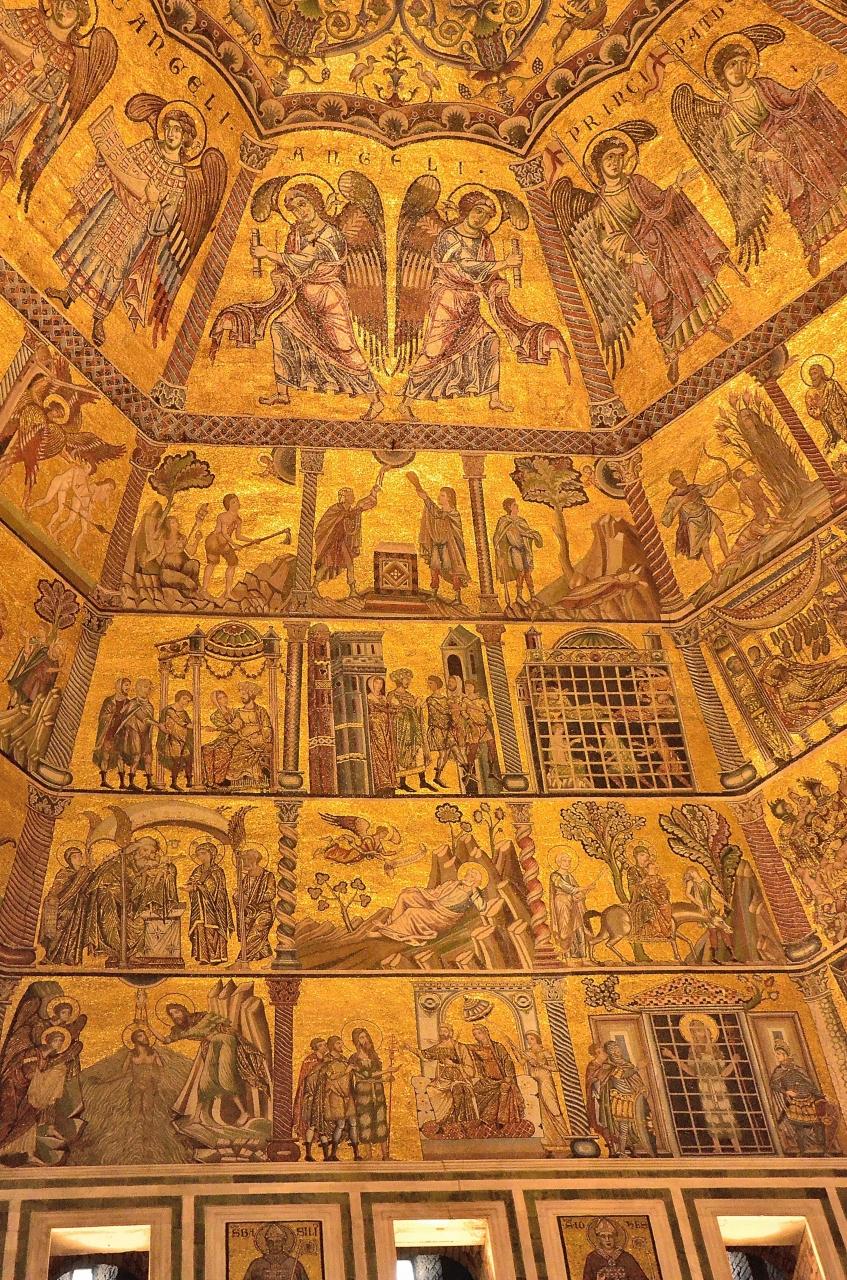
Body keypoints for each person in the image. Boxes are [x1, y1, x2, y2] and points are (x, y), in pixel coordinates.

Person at [48, 104, 219, 347]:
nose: (171, 134)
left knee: (116, 268)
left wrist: (155, 202)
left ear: (185, 139)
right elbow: (121, 163)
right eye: (169, 128)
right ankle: (69, 293)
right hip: (115, 205)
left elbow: (165, 221)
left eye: (177, 131)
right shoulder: (148, 147)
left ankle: (98, 318)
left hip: (139, 225)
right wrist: (105, 155)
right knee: (89, 246)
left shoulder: (179, 177)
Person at [401, 190, 569, 416]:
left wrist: (498, 285)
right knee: (434, 350)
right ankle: (406, 402)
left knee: (490, 340)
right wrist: (504, 263)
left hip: (470, 301)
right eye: (478, 211)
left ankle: (494, 399)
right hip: (447, 300)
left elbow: (488, 276)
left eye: (488, 215)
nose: (481, 218)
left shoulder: (484, 241)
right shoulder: (448, 236)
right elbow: (465, 266)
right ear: (466, 210)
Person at [584, 130, 733, 384]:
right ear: (599, 165)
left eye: (618, 157)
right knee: (660, 301)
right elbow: (607, 242)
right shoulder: (601, 207)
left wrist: (676, 187)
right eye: (609, 158)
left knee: (689, 281)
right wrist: (631, 258)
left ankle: (710, 324)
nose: (615, 163)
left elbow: (660, 202)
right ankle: (672, 352)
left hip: (665, 240)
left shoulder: (637, 183)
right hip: (639, 256)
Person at [240, 182, 385, 419]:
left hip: (329, 297)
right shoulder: (297, 234)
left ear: (315, 203)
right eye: (294, 209)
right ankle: (283, 393)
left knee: (345, 347)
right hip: (303, 296)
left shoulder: (331, 233)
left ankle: (375, 400)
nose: (300, 211)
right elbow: (290, 265)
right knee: (280, 327)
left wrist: (268, 254)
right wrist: (279, 272)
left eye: (303, 204)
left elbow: (305, 260)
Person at [665, 1015, 741, 1153]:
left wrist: (733, 1062)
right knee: (710, 1115)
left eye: (699, 1029)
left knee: (726, 1113)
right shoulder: (693, 1051)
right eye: (694, 1031)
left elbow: (724, 1073)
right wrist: (672, 1057)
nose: (698, 1033)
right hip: (705, 1087)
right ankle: (717, 1146)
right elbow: (691, 1071)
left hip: (718, 1086)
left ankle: (736, 1147)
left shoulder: (716, 1049)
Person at [372, 862, 486, 945]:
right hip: (433, 904)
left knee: (412, 913)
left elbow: (482, 907)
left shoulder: (472, 895)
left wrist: (474, 890)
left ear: (476, 882)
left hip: (442, 917)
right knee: (405, 896)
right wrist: (418, 890)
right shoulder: (453, 884)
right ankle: (390, 925)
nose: (467, 877)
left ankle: (387, 933)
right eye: (468, 874)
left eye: (472, 876)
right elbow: (435, 892)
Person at [312, 475, 383, 599]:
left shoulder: (349, 510)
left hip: (342, 542)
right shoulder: (336, 509)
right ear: (344, 498)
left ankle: (353, 590)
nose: (353, 497)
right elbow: (333, 521)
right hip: (333, 543)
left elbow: (359, 509)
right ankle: (314, 586)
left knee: (349, 564)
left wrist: (373, 493)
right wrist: (356, 510)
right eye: (351, 495)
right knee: (327, 564)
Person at [406, 472, 470, 604]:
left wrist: (427, 499)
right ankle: (434, 594)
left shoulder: (454, 514)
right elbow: (434, 511)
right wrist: (424, 497)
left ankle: (457, 597)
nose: (439, 497)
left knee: (453, 570)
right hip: (437, 545)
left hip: (450, 547)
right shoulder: (440, 512)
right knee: (434, 568)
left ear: (449, 498)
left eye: (442, 495)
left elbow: (439, 515)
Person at [769, 1044, 839, 1155]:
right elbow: (773, 1084)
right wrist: (786, 1092)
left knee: (818, 1124)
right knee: (798, 1126)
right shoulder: (778, 1071)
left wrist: (820, 1095)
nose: (777, 1056)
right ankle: (803, 1151)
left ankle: (823, 1150)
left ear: (785, 1055)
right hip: (795, 1102)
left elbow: (809, 1083)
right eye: (776, 1054)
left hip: (808, 1100)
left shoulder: (798, 1069)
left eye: (779, 1054)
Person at [661, 468, 731, 578]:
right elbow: (666, 521)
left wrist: (725, 479)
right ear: (673, 483)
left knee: (721, 534)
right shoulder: (673, 499)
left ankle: (728, 558)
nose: (682, 479)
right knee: (705, 548)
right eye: (678, 479)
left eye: (682, 476)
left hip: (706, 514)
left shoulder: (693, 488)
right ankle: (713, 572)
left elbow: (709, 490)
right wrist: (683, 502)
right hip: (694, 523)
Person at [589, 1040, 655, 1156]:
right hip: (620, 1100)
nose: (617, 1050)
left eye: (617, 1047)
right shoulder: (609, 1066)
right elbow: (620, 1075)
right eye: (613, 1049)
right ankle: (621, 1151)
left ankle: (628, 1150)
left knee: (630, 1127)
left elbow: (632, 1079)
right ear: (610, 1052)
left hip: (631, 1099)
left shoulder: (625, 1063)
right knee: (623, 1127)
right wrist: (637, 1068)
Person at [507, 1031, 569, 1151]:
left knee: (552, 1105)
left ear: (537, 1039)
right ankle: (551, 1139)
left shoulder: (544, 1052)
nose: (529, 1041)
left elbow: (555, 1068)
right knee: (542, 1109)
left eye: (532, 1039)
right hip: (535, 1082)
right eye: (528, 1039)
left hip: (545, 1080)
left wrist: (540, 1064)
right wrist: (514, 1049)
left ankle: (565, 1136)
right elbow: (521, 1062)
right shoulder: (528, 1052)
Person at [461, 1024, 526, 1131]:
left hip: (501, 1079)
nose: (477, 1036)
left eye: (479, 1033)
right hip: (487, 1080)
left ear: (486, 1032)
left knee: (503, 1089)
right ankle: (477, 1119)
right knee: (475, 1091)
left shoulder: (498, 1047)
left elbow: (507, 1061)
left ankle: (498, 1120)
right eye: (474, 1034)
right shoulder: (477, 1048)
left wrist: (509, 1076)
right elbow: (463, 1046)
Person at [38, 845, 94, 966]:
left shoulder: (85, 872)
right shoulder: (64, 873)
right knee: (59, 929)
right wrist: (52, 899)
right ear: (69, 860)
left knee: (75, 931)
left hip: (79, 907)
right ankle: (50, 956)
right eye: (75, 857)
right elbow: (56, 889)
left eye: (80, 856)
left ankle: (70, 957)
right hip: (64, 906)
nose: (79, 859)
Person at [347, 1027, 392, 1159]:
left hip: (377, 1092)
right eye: (362, 1037)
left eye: (366, 1036)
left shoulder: (374, 1056)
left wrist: (386, 1078)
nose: (365, 1040)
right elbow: (366, 1074)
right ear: (356, 1041)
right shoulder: (354, 1058)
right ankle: (368, 1155)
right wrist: (388, 1071)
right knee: (365, 1120)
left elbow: (376, 1075)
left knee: (381, 1120)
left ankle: (385, 1154)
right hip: (363, 1093)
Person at [312, 1034, 359, 1161]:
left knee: (353, 1122)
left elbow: (350, 1076)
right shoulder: (327, 1060)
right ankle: (333, 1153)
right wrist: (346, 1071)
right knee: (341, 1123)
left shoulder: (344, 1059)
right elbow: (330, 1076)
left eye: (341, 1043)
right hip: (335, 1095)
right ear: (332, 1045)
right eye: (338, 1043)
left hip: (347, 1095)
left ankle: (356, 1153)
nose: (341, 1045)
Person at [186, 840, 233, 964]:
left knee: (213, 930)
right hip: (199, 906)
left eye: (203, 853)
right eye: (198, 854)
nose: (201, 857)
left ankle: (216, 957)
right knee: (200, 929)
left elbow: (217, 888)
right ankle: (204, 957)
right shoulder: (197, 870)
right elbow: (191, 882)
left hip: (215, 905)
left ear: (212, 854)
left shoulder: (218, 871)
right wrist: (192, 887)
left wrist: (198, 887)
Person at [549, 851, 598, 961]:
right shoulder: (555, 876)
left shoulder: (570, 876)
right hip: (562, 903)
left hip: (574, 904)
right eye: (564, 861)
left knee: (579, 927)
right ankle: (567, 956)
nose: (567, 863)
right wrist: (585, 888)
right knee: (565, 928)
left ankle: (583, 956)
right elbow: (568, 888)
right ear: (558, 862)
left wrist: (584, 892)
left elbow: (576, 892)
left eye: (569, 861)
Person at [202, 494, 252, 602]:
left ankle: (228, 592)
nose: (237, 503)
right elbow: (224, 533)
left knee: (233, 563)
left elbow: (238, 536)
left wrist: (252, 540)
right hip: (214, 542)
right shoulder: (223, 516)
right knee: (212, 563)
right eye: (233, 502)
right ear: (228, 505)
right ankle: (204, 590)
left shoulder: (238, 520)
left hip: (224, 544)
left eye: (237, 501)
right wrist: (234, 545)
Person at [493, 498, 543, 604]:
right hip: (514, 550)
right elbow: (498, 538)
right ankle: (519, 596)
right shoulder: (504, 521)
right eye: (514, 505)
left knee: (528, 573)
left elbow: (527, 532)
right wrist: (500, 555)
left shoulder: (521, 521)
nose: (517, 506)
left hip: (524, 550)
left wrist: (534, 535)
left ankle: (532, 595)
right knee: (520, 572)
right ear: (509, 507)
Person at [225, 682, 274, 790]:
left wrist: (264, 738)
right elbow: (236, 726)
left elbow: (266, 726)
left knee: (239, 750)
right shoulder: (239, 711)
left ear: (251, 694)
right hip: (243, 738)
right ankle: (240, 780)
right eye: (241, 694)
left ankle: (251, 779)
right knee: (231, 747)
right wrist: (224, 726)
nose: (241, 696)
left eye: (244, 694)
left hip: (259, 739)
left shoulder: (260, 710)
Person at [387, 669, 429, 794]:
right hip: (400, 729)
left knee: (418, 750)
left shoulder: (410, 695)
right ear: (400, 680)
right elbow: (395, 709)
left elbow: (415, 709)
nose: (408, 682)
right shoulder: (392, 695)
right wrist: (409, 706)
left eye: (409, 680)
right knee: (403, 753)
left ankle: (423, 780)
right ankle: (402, 783)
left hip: (413, 728)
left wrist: (418, 706)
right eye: (406, 679)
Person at [233, 847, 276, 962]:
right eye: (243, 860)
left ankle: (240, 961)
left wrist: (252, 899)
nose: (245, 863)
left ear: (254, 860)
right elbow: (240, 894)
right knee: (261, 939)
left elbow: (271, 893)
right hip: (249, 913)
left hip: (264, 912)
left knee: (254, 935)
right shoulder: (246, 878)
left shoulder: (268, 875)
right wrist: (237, 896)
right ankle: (272, 960)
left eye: (247, 860)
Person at [119, 678, 158, 793]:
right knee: (136, 755)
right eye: (146, 687)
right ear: (139, 688)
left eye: (149, 688)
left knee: (148, 757)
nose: (148, 690)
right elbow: (143, 717)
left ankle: (149, 782)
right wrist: (158, 725)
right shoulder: (133, 703)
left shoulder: (149, 705)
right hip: (133, 732)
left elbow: (148, 719)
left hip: (145, 733)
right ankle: (131, 782)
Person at [92, 676, 132, 788]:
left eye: (129, 685)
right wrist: (113, 715)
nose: (128, 687)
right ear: (119, 686)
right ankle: (103, 780)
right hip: (109, 732)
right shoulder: (109, 701)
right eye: (126, 685)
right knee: (105, 755)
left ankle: (122, 783)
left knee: (120, 756)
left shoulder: (128, 702)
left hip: (121, 733)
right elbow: (102, 717)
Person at [293, 1036, 328, 1161]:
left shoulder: (325, 1059)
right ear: (315, 1048)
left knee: (321, 1128)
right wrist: (322, 1064)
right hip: (312, 1098)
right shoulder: (310, 1060)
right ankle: (308, 1154)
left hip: (321, 1099)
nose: (324, 1047)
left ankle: (326, 1156)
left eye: (325, 1044)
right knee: (313, 1125)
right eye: (321, 1045)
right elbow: (308, 1079)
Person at [582, 1218, 652, 1280]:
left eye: (610, 1236)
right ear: (599, 1239)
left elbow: (640, 1277)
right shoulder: (592, 1258)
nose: (607, 1239)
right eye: (603, 1236)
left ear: (615, 1237)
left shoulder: (627, 1258)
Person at [423, 674, 460, 790]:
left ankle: (438, 776)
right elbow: (443, 710)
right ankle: (437, 777)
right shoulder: (430, 700)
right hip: (436, 729)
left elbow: (450, 711)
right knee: (443, 754)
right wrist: (453, 709)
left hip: (446, 728)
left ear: (437, 684)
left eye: (431, 683)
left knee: (451, 752)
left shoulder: (445, 699)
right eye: (428, 683)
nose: (429, 685)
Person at [365, 674, 397, 796]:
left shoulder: (383, 697)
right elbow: (381, 708)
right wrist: (392, 710)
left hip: (386, 726)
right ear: (371, 684)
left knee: (389, 753)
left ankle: (391, 782)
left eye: (380, 683)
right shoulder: (369, 697)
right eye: (376, 683)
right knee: (380, 751)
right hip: (376, 725)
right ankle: (382, 783)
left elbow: (391, 706)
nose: (378, 686)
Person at [805, 360, 847, 451]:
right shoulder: (810, 393)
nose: (813, 377)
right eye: (811, 374)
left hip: (841, 415)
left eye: (815, 373)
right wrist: (817, 411)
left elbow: (843, 396)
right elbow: (811, 410)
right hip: (828, 420)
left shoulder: (832, 385)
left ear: (821, 373)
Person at [157, 689, 194, 791]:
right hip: (173, 738)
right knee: (177, 760)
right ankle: (173, 783)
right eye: (184, 699)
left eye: (188, 700)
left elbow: (188, 723)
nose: (186, 702)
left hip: (184, 738)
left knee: (188, 758)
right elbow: (178, 721)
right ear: (179, 698)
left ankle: (189, 781)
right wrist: (189, 726)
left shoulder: (184, 712)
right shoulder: (170, 710)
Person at [244, 1223, 310, 1280]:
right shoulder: (256, 1265)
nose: (274, 1245)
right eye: (270, 1242)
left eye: (278, 1241)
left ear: (283, 1242)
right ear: (267, 1243)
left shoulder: (295, 1265)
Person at [201, 689, 239, 787]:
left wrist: (216, 729)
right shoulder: (214, 716)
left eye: (224, 697)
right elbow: (228, 727)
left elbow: (235, 727)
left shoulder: (235, 711)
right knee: (206, 749)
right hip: (223, 737)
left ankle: (219, 780)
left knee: (221, 751)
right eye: (220, 698)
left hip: (236, 737)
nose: (223, 700)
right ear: (216, 701)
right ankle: (210, 781)